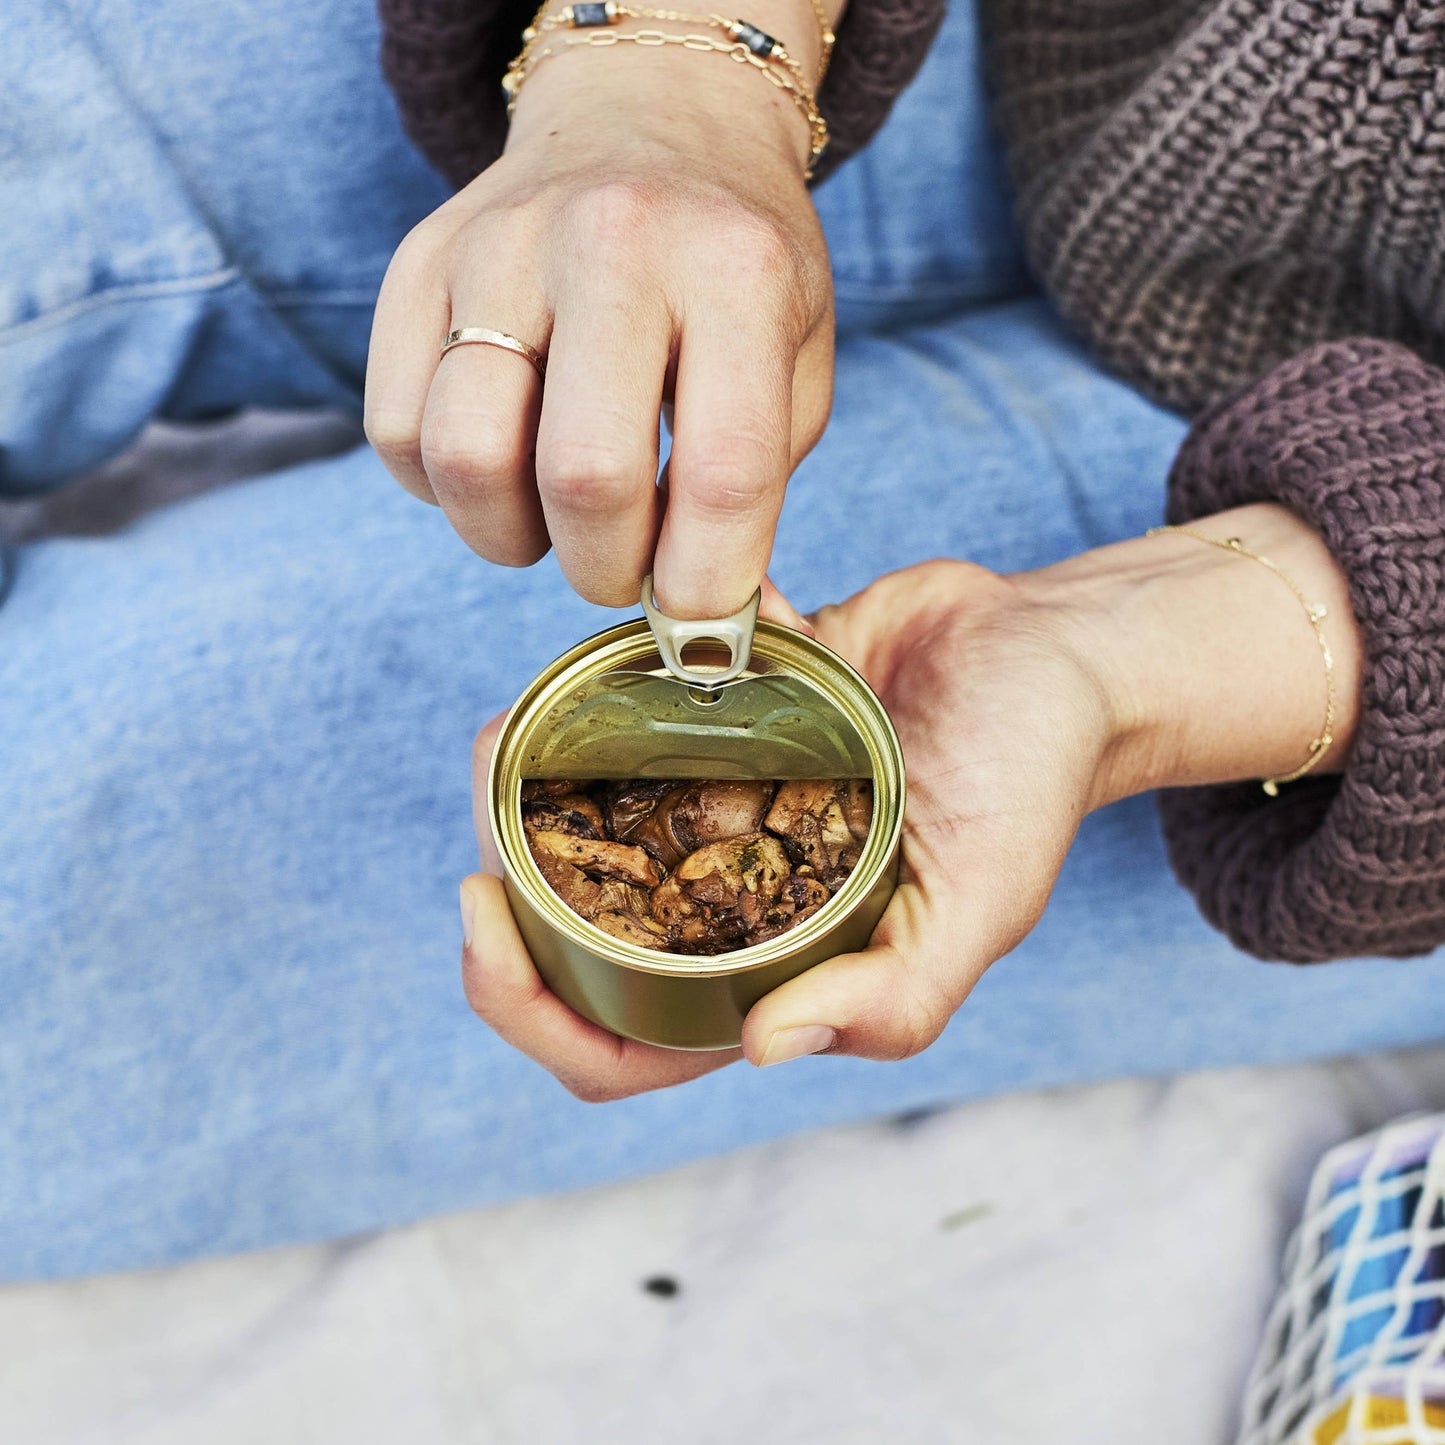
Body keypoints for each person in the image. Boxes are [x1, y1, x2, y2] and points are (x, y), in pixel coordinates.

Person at [0, 0, 1440, 1281]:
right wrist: (668, 62)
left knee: (81, 816)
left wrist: (1118, 659)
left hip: (1358, 594)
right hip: (1087, 44)